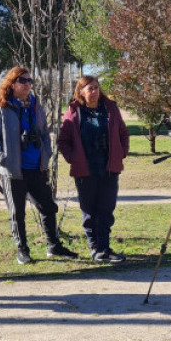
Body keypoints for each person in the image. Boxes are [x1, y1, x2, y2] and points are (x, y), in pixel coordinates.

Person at [0, 66, 78, 264]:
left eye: (29, 81)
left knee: (48, 207)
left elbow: (44, 133)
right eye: (22, 81)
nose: (27, 84)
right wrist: (3, 159)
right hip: (13, 171)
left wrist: (46, 154)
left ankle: (53, 246)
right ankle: (23, 250)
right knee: (17, 213)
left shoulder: (36, 107)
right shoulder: (1, 110)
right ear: (12, 84)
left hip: (37, 167)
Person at [58, 75, 130, 264]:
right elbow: (63, 141)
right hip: (85, 170)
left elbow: (123, 133)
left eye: (96, 87)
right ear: (80, 91)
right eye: (90, 88)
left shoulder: (110, 109)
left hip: (108, 168)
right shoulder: (74, 112)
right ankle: (95, 248)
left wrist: (121, 152)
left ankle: (105, 248)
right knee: (89, 211)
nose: (94, 91)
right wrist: (73, 158)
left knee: (106, 210)